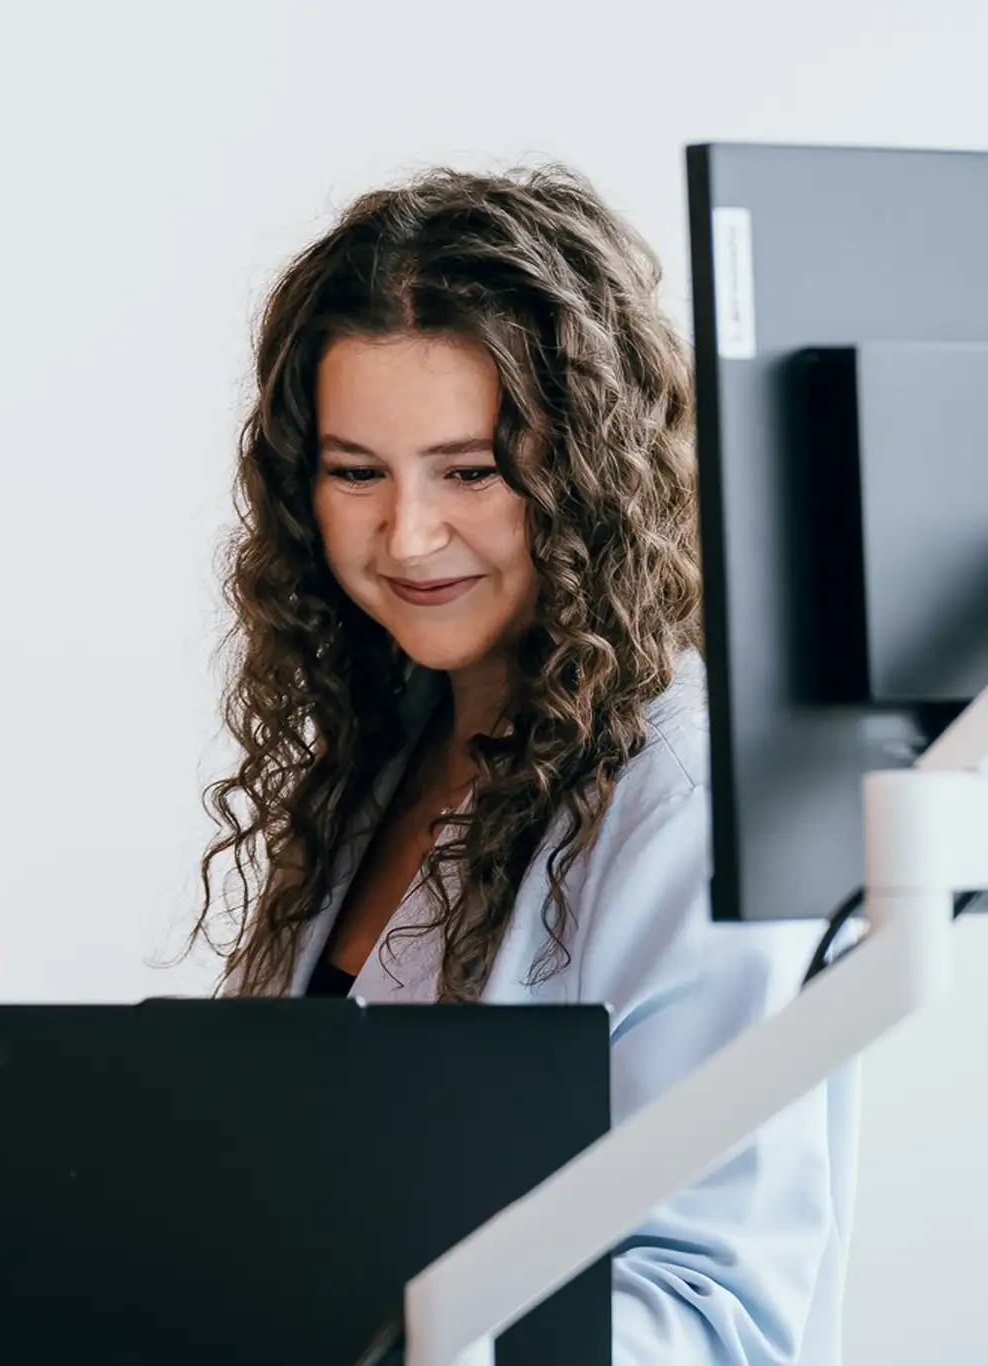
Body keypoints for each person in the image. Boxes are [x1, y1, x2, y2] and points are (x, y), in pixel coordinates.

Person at [191, 166, 853, 1365]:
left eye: (469, 469)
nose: (406, 535)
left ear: (587, 471)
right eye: (354, 472)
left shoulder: (685, 802)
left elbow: (716, 1312)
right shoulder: (393, 746)